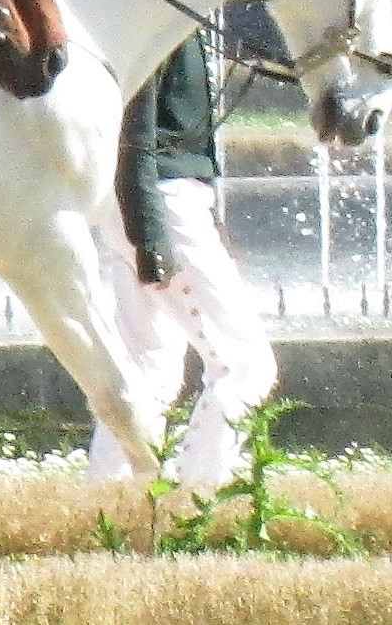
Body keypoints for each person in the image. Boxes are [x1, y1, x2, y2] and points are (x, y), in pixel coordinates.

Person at [86, 31, 279, 489]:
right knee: (244, 364)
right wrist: (150, 236)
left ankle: (112, 498)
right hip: (158, 200)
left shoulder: (165, 11)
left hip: (147, 200)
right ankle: (199, 497)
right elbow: (133, 138)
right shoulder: (161, 20)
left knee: (146, 362)